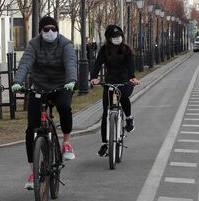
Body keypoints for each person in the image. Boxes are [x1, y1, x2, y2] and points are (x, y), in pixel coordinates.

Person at [10, 16, 77, 190]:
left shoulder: (65, 44)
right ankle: (33, 171)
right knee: (31, 128)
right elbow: (25, 63)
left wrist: (71, 80)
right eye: (46, 29)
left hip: (62, 86)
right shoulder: (33, 45)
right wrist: (17, 81)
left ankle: (66, 142)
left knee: (64, 107)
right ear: (40, 31)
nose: (50, 32)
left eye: (53, 29)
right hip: (39, 87)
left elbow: (70, 63)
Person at [89, 25, 140, 157]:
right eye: (114, 37)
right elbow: (97, 64)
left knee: (123, 96)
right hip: (110, 82)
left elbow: (130, 65)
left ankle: (129, 118)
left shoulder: (126, 49)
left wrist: (132, 77)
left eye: (119, 36)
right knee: (106, 112)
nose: (117, 38)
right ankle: (104, 144)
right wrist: (94, 77)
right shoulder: (104, 50)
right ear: (109, 38)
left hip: (125, 81)